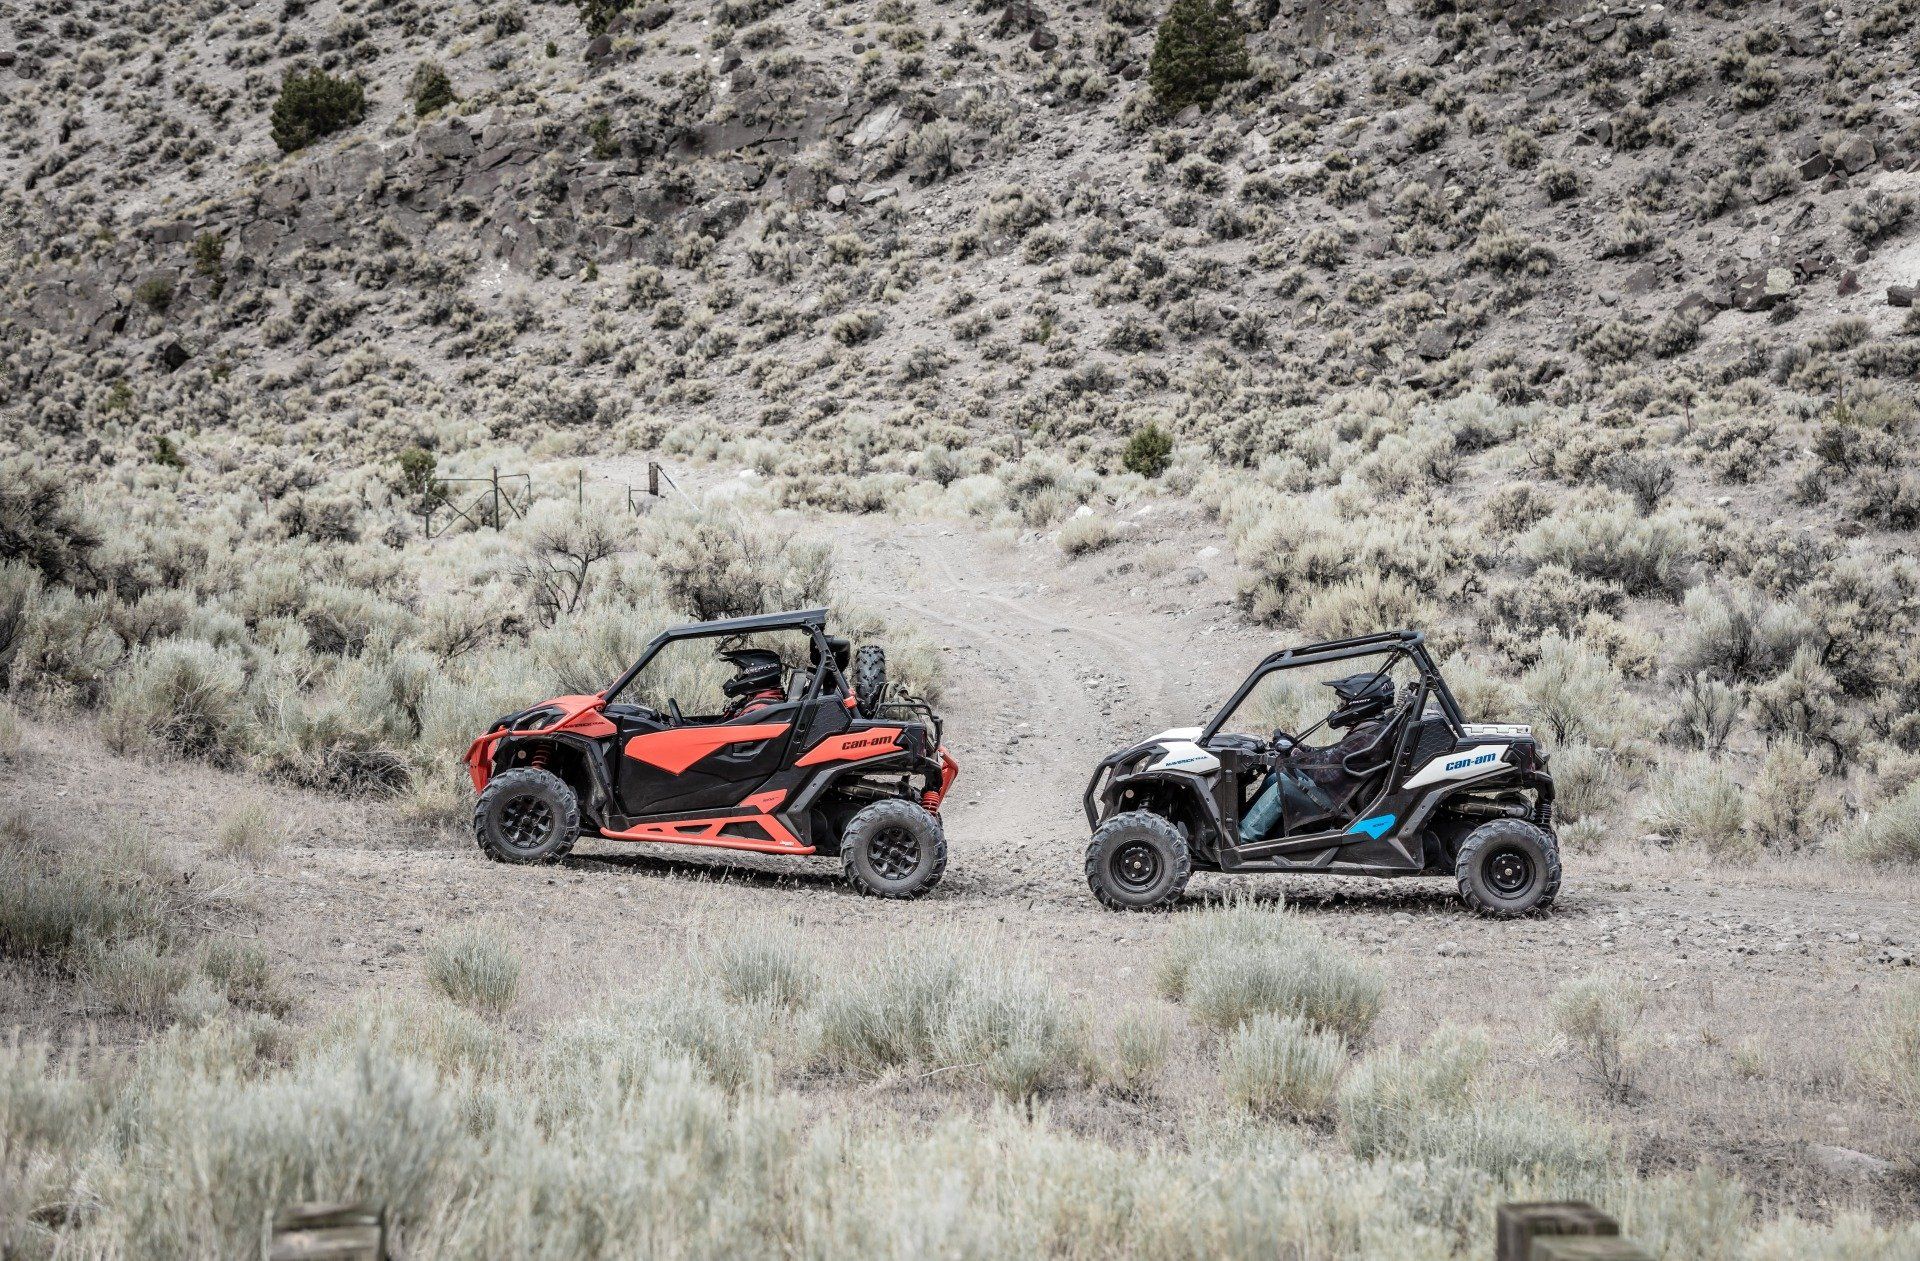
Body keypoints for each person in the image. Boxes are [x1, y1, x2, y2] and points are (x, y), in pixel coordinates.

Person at [1237, 672, 1400, 843]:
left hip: (1332, 803)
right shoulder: (1370, 729)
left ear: (1361, 704)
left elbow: (1324, 773)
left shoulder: (1366, 738)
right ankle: (1245, 822)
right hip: (1334, 791)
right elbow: (1331, 756)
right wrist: (1297, 746)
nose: (1340, 708)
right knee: (1279, 771)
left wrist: (1293, 753)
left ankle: (1243, 839)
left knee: (1282, 787)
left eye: (1344, 703)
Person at [718, 648, 786, 719]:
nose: (737, 678)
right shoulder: (761, 701)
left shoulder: (757, 710)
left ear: (757, 672)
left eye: (741, 672)